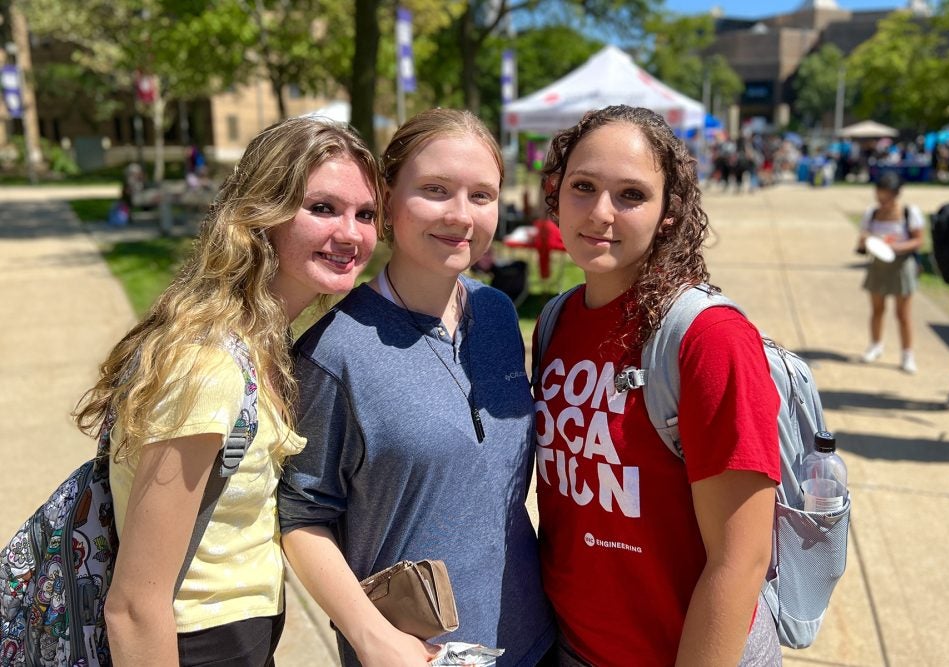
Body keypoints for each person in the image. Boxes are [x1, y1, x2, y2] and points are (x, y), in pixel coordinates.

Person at [73, 116, 382, 665]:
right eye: (323, 208)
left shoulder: (261, 342)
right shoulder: (207, 365)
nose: (351, 233)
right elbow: (136, 605)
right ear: (262, 213)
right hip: (194, 644)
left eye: (366, 214)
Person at [278, 108, 555, 666]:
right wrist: (374, 639)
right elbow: (300, 517)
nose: (460, 216)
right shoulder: (333, 352)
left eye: (482, 195)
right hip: (415, 655)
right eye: (434, 190)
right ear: (386, 197)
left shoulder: (498, 315)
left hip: (535, 642)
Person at [533, 104, 781, 665]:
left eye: (631, 195)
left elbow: (740, 560)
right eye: (584, 186)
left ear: (669, 211)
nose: (601, 213)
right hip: (572, 648)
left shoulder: (709, 338)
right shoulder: (554, 322)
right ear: (557, 193)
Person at [855, 171, 925, 373]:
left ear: (896, 194)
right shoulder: (872, 213)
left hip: (902, 266)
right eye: (879, 195)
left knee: (903, 314)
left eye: (886, 196)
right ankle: (875, 345)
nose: (882, 200)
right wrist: (867, 241)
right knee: (877, 310)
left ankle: (907, 354)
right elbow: (864, 235)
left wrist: (896, 247)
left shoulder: (909, 213)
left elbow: (919, 240)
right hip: (878, 264)